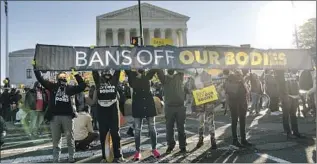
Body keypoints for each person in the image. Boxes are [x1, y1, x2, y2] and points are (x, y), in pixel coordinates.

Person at [33, 60, 86, 163]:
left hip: (67, 117)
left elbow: (83, 86)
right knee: (56, 140)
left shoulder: (70, 88)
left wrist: (75, 74)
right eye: (60, 75)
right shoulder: (53, 86)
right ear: (58, 78)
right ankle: (56, 159)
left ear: (67, 78)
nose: (62, 76)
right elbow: (40, 79)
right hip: (55, 117)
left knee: (70, 139)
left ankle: (71, 157)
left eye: (64, 75)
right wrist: (36, 67)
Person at [125, 69, 160, 161]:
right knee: (137, 130)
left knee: (152, 128)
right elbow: (132, 82)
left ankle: (154, 149)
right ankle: (137, 151)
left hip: (148, 105)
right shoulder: (131, 76)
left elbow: (154, 67)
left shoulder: (147, 75)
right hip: (138, 105)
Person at [91, 70, 124, 163]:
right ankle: (105, 157)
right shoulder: (98, 81)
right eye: (104, 71)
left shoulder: (114, 80)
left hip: (113, 111)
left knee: (115, 134)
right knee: (103, 135)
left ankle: (118, 156)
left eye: (108, 71)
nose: (106, 73)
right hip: (102, 111)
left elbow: (118, 69)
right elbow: (94, 71)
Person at [157, 69, 187, 154]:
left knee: (181, 128)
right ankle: (170, 145)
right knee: (169, 128)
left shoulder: (179, 76)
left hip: (180, 107)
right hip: (169, 107)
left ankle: (183, 146)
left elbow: (181, 64)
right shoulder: (164, 78)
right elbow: (159, 71)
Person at [190, 69, 217, 149]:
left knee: (210, 121)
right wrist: (195, 91)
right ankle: (201, 139)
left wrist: (203, 86)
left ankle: (213, 139)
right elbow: (189, 88)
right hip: (199, 103)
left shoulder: (208, 75)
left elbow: (212, 87)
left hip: (208, 102)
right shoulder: (193, 77)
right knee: (200, 122)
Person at [224, 69, 252, 148]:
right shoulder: (230, 82)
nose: (240, 76)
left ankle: (242, 139)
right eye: (239, 74)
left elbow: (246, 92)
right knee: (235, 121)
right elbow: (228, 93)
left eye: (240, 74)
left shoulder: (239, 82)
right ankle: (236, 140)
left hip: (241, 104)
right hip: (235, 104)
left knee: (240, 121)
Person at [275, 70, 303, 139]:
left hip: (294, 96)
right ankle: (287, 132)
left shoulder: (292, 70)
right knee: (286, 116)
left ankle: (295, 131)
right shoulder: (279, 71)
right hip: (286, 97)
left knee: (293, 115)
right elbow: (279, 85)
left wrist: (298, 93)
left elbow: (296, 82)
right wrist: (283, 97)